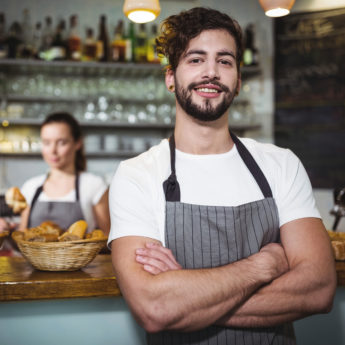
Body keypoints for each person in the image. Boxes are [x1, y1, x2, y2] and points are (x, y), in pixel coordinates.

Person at [108, 7, 336, 345]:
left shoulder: (281, 164)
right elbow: (155, 308)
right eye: (196, 59)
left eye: (225, 61)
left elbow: (318, 288)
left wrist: (187, 293)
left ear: (239, 80)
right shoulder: (136, 175)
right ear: (170, 77)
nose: (211, 72)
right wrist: (263, 266)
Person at [0, 112, 110, 237]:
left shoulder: (93, 185)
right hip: (35, 257)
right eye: (47, 143)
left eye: (61, 142)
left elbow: (108, 238)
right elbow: (23, 237)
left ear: (78, 143)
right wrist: (7, 229)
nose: (53, 151)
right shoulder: (31, 187)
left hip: (79, 257)